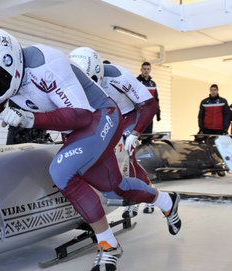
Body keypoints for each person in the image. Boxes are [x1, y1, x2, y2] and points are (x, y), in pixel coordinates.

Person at [0, 25, 180, 271]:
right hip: (77, 128)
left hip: (100, 116)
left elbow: (81, 115)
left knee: (61, 171)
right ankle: (167, 201)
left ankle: (108, 244)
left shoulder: (46, 64)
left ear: (9, 60)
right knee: (114, 187)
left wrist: (31, 120)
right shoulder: (6, 73)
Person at [69, 48, 165, 218]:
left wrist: (135, 133)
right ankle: (140, 189)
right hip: (105, 117)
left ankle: (144, 197)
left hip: (128, 117)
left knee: (129, 157)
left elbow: (150, 105)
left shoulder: (117, 75)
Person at [136, 62, 160, 135]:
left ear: (150, 70)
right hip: (138, 115)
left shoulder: (153, 84)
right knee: (135, 137)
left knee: (147, 138)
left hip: (149, 115)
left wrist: (158, 113)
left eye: (148, 69)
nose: (146, 71)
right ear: (141, 70)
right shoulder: (136, 81)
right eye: (144, 69)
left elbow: (156, 99)